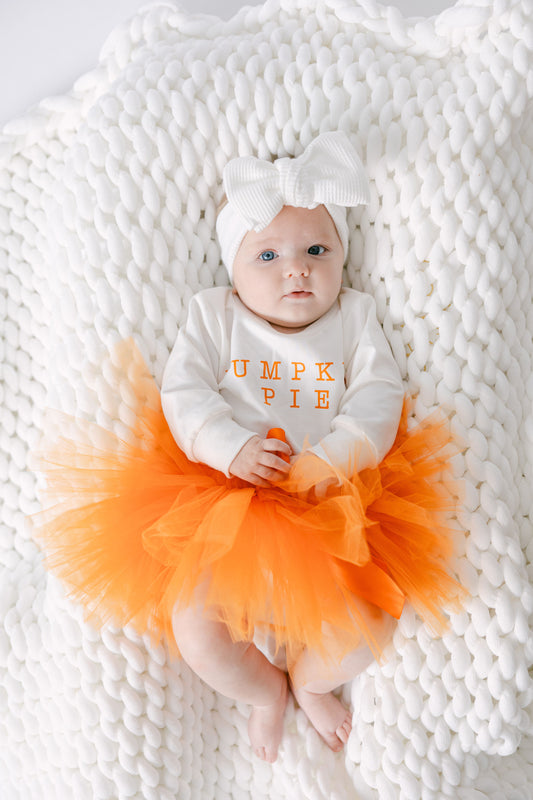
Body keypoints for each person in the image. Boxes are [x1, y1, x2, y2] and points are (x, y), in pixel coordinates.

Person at [33, 132, 463, 765]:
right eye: (268, 255)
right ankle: (265, 691)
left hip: (330, 504)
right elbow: (183, 393)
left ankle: (311, 681)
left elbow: (379, 394)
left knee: (373, 620)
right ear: (232, 267)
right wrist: (229, 447)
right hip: (227, 499)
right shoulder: (215, 316)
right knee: (196, 626)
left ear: (342, 259)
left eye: (318, 249)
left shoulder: (353, 318)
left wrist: (336, 454)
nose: (298, 268)